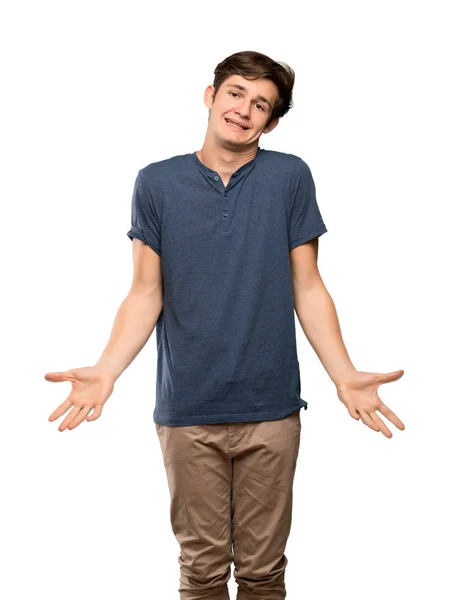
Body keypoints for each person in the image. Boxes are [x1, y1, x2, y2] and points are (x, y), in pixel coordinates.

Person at [45, 50, 406, 600]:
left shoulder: (289, 176)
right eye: (235, 92)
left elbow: (307, 285)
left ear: (273, 120)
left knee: (264, 574)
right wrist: (106, 369)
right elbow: (146, 291)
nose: (244, 109)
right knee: (202, 572)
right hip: (189, 409)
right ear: (210, 95)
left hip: (271, 407)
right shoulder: (156, 182)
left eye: (260, 103)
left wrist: (344, 374)